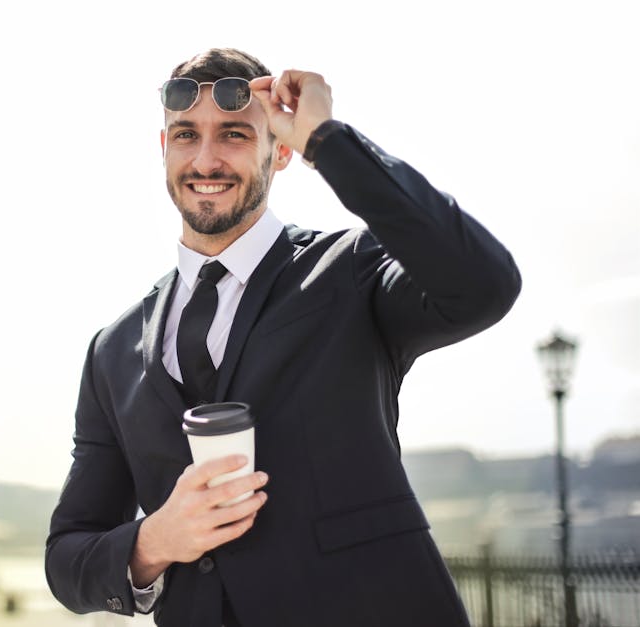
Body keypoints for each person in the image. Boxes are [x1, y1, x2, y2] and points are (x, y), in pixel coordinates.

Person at [45, 48, 521, 627]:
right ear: (163, 147)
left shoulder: (348, 271)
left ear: (282, 150)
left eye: (236, 135)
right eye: (186, 134)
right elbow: (68, 556)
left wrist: (329, 139)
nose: (207, 158)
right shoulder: (112, 351)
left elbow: (484, 284)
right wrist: (154, 541)